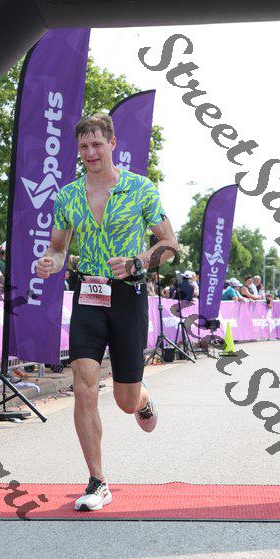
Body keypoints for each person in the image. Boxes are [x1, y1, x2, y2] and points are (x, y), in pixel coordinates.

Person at [36, 114, 177, 511]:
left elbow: (169, 244)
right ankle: (97, 480)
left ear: (112, 144)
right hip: (88, 296)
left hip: (128, 297)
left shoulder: (140, 188)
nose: (91, 152)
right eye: (84, 146)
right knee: (83, 386)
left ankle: (142, 398)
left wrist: (137, 262)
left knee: (125, 400)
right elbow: (58, 248)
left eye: (97, 144)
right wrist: (49, 261)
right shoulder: (67, 196)